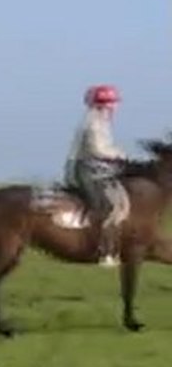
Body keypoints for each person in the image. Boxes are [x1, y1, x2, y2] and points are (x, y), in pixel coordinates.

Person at [64, 84, 127, 267]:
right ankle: (103, 251)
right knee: (107, 206)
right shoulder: (94, 123)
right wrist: (118, 154)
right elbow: (97, 149)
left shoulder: (100, 121)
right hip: (88, 170)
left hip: (97, 169)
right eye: (113, 102)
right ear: (104, 104)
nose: (115, 106)